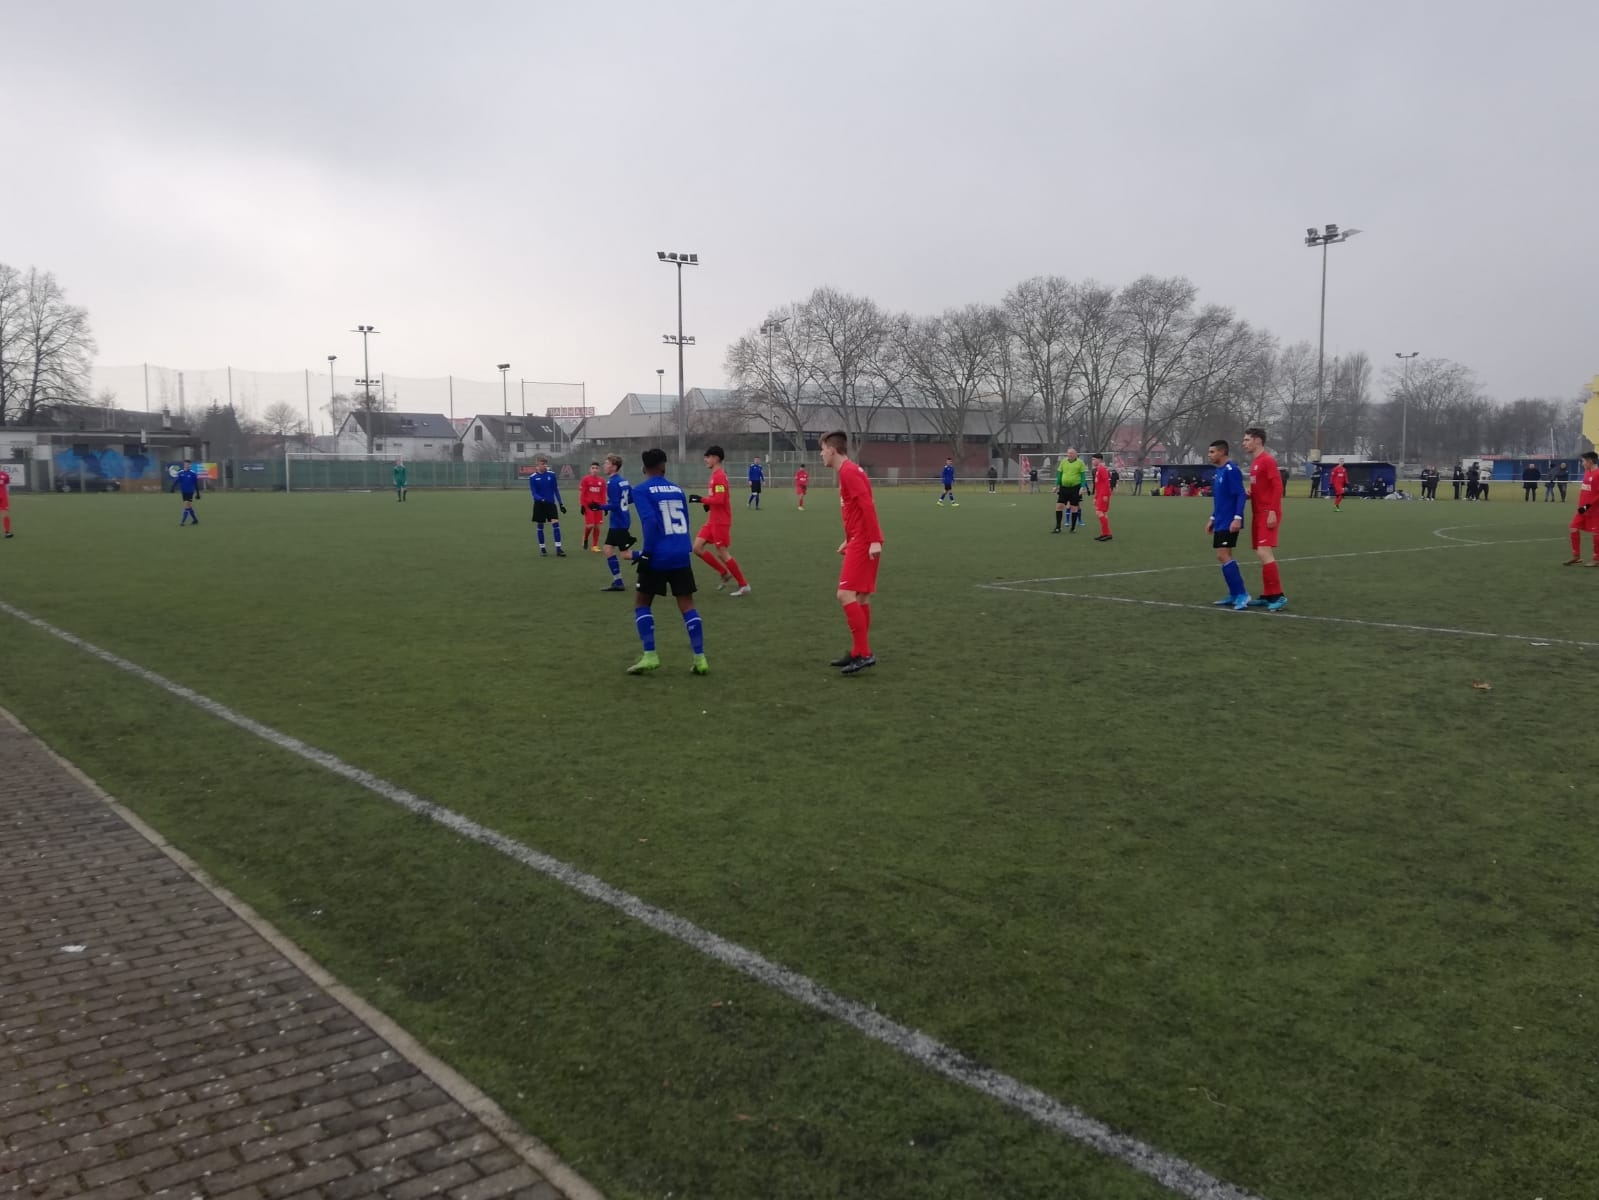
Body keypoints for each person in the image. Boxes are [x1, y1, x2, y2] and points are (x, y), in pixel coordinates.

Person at [626, 448, 708, 675]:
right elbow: (686, 521)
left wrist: (646, 554)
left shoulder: (640, 490)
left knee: (642, 603)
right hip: (681, 553)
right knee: (687, 605)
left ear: (644, 468)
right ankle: (700, 658)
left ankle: (650, 655)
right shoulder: (678, 489)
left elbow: (650, 522)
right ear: (664, 466)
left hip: (657, 555)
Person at [819, 430, 883, 675]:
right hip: (860, 539)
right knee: (862, 597)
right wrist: (848, 539)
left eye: (822, 449)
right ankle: (858, 651)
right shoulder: (849, 471)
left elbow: (867, 504)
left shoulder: (848, 472)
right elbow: (855, 509)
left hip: (865, 540)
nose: (821, 454)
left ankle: (864, 653)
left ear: (832, 449)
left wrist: (873, 540)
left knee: (844, 594)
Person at [690, 445, 751, 596]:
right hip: (712, 520)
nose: (705, 460)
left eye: (708, 457)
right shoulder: (715, 475)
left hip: (720, 520)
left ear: (716, 458)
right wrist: (708, 504)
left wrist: (701, 499)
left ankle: (744, 585)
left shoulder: (719, 476)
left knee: (722, 552)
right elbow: (716, 498)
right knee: (697, 548)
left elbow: (720, 499)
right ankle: (724, 573)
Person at [1241, 427, 1287, 611]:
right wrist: (1251, 493)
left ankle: (1278, 595)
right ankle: (1268, 595)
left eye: (1247, 440)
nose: (1244, 443)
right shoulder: (1255, 462)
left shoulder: (1267, 460)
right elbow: (1262, 487)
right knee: (1261, 553)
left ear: (1258, 440)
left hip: (1268, 512)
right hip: (1258, 512)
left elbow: (1277, 486)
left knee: (1264, 552)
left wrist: (1273, 511)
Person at [1206, 440, 1250, 610]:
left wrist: (1237, 518)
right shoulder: (1219, 471)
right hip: (1221, 519)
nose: (1209, 455)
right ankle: (1234, 594)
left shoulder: (1231, 470)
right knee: (1224, 555)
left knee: (1223, 555)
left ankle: (1242, 594)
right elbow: (1221, 499)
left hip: (1230, 520)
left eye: (1212, 452)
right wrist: (1213, 518)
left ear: (1222, 452)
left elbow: (1240, 495)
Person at [593, 453, 639, 591]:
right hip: (622, 520)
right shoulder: (623, 480)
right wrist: (617, 503)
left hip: (618, 522)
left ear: (614, 467)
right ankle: (618, 582)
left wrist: (599, 507)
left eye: (607, 463)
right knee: (608, 549)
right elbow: (631, 498)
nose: (604, 466)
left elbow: (615, 505)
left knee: (625, 554)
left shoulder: (612, 482)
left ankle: (649, 555)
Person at [1564, 450, 1599, 567]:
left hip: (1595, 511)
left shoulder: (1597, 474)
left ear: (1590, 461)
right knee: (1573, 527)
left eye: (1583, 461)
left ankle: (1597, 559)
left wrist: (1587, 506)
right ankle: (1576, 556)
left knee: (1596, 534)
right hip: (1582, 510)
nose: (1582, 463)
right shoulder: (1587, 472)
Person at [1053, 448, 1086, 533]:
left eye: (1071, 453)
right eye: (1068, 453)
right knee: (1059, 506)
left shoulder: (1080, 463)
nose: (1070, 455)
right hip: (1064, 488)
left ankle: (1073, 528)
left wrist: (1082, 487)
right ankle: (1058, 527)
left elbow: (1083, 476)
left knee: (1074, 507)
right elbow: (1059, 474)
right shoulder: (1063, 462)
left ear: (1075, 454)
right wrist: (1056, 485)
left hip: (1075, 488)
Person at [578, 461, 607, 551]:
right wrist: (582, 505)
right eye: (593, 468)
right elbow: (582, 493)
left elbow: (603, 494)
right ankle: (585, 538)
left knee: (597, 526)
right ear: (590, 469)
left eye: (596, 468)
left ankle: (594, 546)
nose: (594, 470)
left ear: (599, 470)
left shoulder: (602, 481)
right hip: (588, 505)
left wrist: (604, 506)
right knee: (590, 525)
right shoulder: (585, 479)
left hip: (598, 506)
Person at [1088, 453, 1114, 541]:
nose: (1092, 461)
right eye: (1092, 459)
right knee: (1103, 513)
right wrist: (1095, 497)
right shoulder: (1098, 469)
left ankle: (1108, 534)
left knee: (1099, 512)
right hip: (1100, 494)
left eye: (1094, 459)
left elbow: (1106, 483)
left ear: (1099, 460)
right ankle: (1104, 533)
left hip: (1103, 494)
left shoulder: (1102, 469)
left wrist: (1105, 495)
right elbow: (1098, 485)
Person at [171, 460, 201, 526]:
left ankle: (182, 522)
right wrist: (173, 488)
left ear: (190, 465)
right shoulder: (180, 473)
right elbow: (176, 481)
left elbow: (196, 484)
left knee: (186, 505)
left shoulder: (193, 474)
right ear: (184, 465)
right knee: (189, 507)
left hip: (190, 492)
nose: (187, 466)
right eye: (186, 464)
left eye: (188, 464)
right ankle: (195, 520)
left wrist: (198, 494)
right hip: (183, 492)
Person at [0, 465, 12, 538]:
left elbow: (7, 482)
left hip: (3, 497)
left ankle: (7, 532)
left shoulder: (5, 475)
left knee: (5, 515)